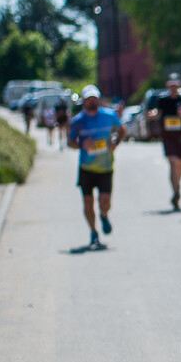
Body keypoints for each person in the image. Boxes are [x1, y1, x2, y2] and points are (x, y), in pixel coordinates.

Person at [67, 85, 126, 248]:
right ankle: (93, 232)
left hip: (106, 166)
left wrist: (116, 142)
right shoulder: (78, 121)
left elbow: (122, 130)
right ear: (84, 101)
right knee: (87, 201)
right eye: (88, 99)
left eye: (94, 98)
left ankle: (104, 214)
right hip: (86, 168)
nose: (92, 101)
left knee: (105, 201)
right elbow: (70, 142)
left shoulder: (109, 116)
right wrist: (81, 144)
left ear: (98, 99)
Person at [159, 72, 181, 211]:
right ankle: (176, 193)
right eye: (170, 85)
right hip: (168, 136)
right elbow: (158, 114)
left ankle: (177, 187)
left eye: (175, 85)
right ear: (167, 86)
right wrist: (153, 115)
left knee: (179, 164)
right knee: (173, 162)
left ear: (179, 86)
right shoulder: (163, 100)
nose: (173, 88)